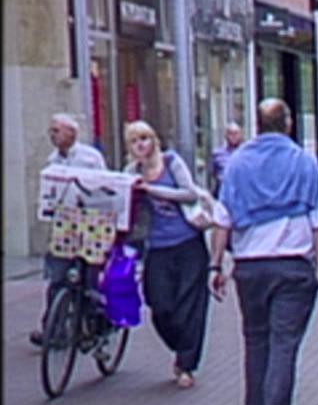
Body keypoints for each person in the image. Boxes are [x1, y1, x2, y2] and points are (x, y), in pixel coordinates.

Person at [206, 98, 318, 405]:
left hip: (250, 267)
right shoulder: (304, 162)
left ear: (257, 125)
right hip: (292, 266)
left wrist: (215, 265)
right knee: (284, 345)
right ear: (287, 123)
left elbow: (222, 219)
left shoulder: (238, 164)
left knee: (256, 340)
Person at [122, 120, 211, 389]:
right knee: (159, 305)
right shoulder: (131, 173)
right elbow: (123, 207)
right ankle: (179, 346)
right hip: (158, 246)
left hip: (187, 241)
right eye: (135, 141)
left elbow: (189, 193)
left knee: (190, 305)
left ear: (154, 140)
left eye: (145, 139)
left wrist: (152, 190)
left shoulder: (171, 162)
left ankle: (186, 364)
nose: (141, 145)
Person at [31, 113, 110, 347]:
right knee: (57, 278)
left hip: (90, 224)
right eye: (51, 130)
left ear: (71, 133)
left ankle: (91, 327)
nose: (52, 135)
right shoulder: (52, 161)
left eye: (56, 130)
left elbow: (104, 188)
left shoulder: (90, 158)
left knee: (89, 281)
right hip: (64, 224)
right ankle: (54, 331)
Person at [207, 122, 244, 198]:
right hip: (221, 193)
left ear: (240, 135)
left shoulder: (246, 153)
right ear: (226, 135)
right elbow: (211, 175)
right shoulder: (217, 154)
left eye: (236, 133)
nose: (233, 136)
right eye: (231, 133)